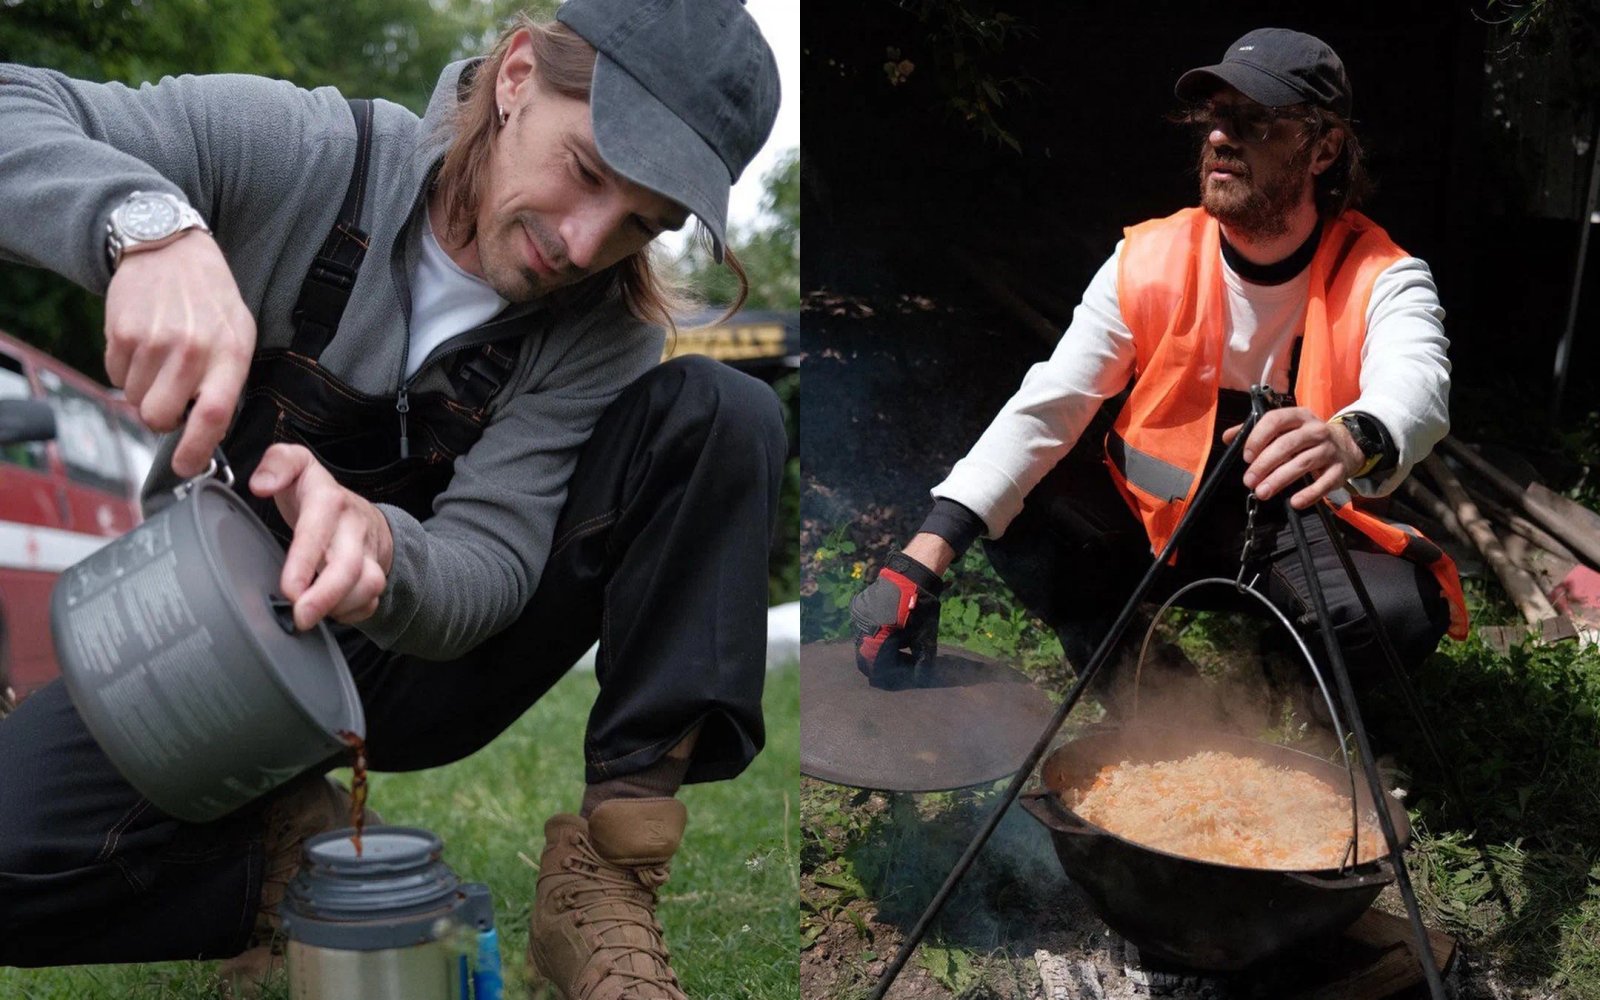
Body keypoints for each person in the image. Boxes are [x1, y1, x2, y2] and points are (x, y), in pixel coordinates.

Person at [0, 1, 784, 997]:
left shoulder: (604, 330)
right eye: (585, 171)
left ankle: (607, 878)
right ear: (513, 79)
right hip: (210, 655)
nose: (586, 246)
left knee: (718, 412)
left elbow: (493, 562)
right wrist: (147, 228)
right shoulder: (301, 151)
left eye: (642, 222)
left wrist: (384, 548)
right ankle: (287, 863)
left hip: (420, 668)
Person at [852, 28, 1467, 716]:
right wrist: (920, 558)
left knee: (1400, 614)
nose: (1220, 140)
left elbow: (1418, 384)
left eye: (1254, 122)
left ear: (1323, 148)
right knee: (1020, 507)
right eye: (1216, 119)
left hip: (1295, 541)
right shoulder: (1148, 260)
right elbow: (1050, 404)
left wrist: (1353, 437)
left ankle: (1285, 698)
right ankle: (1145, 691)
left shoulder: (1386, 275)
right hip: (1153, 532)